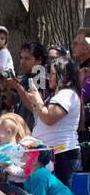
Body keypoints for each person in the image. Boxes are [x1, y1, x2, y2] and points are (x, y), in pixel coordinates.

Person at [17, 56, 80, 186]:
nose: (49, 77)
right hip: (54, 155)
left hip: (62, 155)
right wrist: (35, 101)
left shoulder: (66, 94)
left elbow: (49, 118)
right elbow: (42, 116)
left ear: (62, 75)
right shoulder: (61, 95)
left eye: (52, 73)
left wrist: (38, 100)